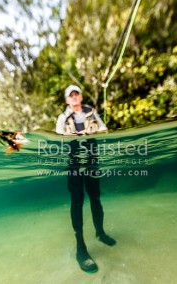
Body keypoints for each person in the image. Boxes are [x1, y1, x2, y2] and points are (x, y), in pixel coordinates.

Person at [56, 85, 116, 273]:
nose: (74, 97)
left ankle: (100, 233)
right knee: (77, 201)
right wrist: (72, 135)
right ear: (67, 100)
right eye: (70, 95)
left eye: (76, 94)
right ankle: (81, 247)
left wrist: (96, 132)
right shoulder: (62, 118)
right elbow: (58, 136)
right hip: (74, 163)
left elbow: (104, 129)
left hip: (91, 161)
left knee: (95, 197)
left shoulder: (92, 112)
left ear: (80, 96)